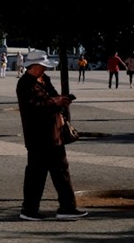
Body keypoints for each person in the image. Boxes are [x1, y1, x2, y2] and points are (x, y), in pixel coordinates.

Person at [16, 50, 87, 221]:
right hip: (37, 136)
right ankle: (29, 209)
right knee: (36, 173)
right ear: (34, 66)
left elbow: (52, 96)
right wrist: (56, 102)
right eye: (42, 67)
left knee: (61, 169)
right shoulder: (25, 83)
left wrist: (62, 100)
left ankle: (67, 207)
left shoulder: (44, 79)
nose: (44, 70)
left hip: (54, 133)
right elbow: (34, 107)